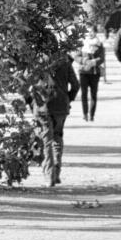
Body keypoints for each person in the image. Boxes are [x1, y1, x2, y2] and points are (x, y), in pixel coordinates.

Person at [28, 47, 80, 187]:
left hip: (42, 106)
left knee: (46, 141)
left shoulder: (36, 61)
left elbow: (27, 85)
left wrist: (31, 103)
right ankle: (56, 171)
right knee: (57, 137)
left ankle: (49, 174)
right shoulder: (65, 61)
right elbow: (76, 84)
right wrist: (68, 98)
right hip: (61, 106)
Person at [76, 27, 106, 122]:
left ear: (96, 32)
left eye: (92, 31)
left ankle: (92, 114)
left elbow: (102, 58)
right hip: (83, 72)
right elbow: (76, 56)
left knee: (93, 94)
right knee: (84, 94)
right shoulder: (82, 43)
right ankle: (85, 114)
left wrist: (94, 61)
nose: (90, 33)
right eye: (88, 31)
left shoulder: (99, 44)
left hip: (94, 72)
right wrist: (83, 60)